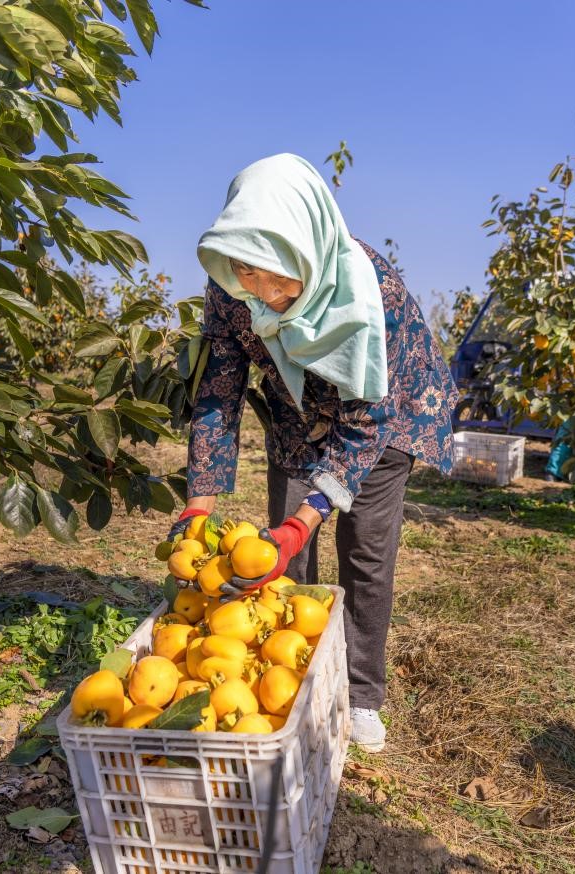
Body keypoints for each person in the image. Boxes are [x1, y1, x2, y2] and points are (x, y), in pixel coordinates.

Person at [168, 154, 458, 751]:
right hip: (297, 414)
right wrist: (198, 506)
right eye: (251, 276)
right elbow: (218, 391)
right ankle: (290, 674)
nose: (266, 295)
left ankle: (360, 695)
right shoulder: (232, 284)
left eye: (280, 281)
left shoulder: (370, 288)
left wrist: (307, 522)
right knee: (283, 558)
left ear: (310, 255)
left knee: (365, 554)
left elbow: (364, 420)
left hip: (381, 416)